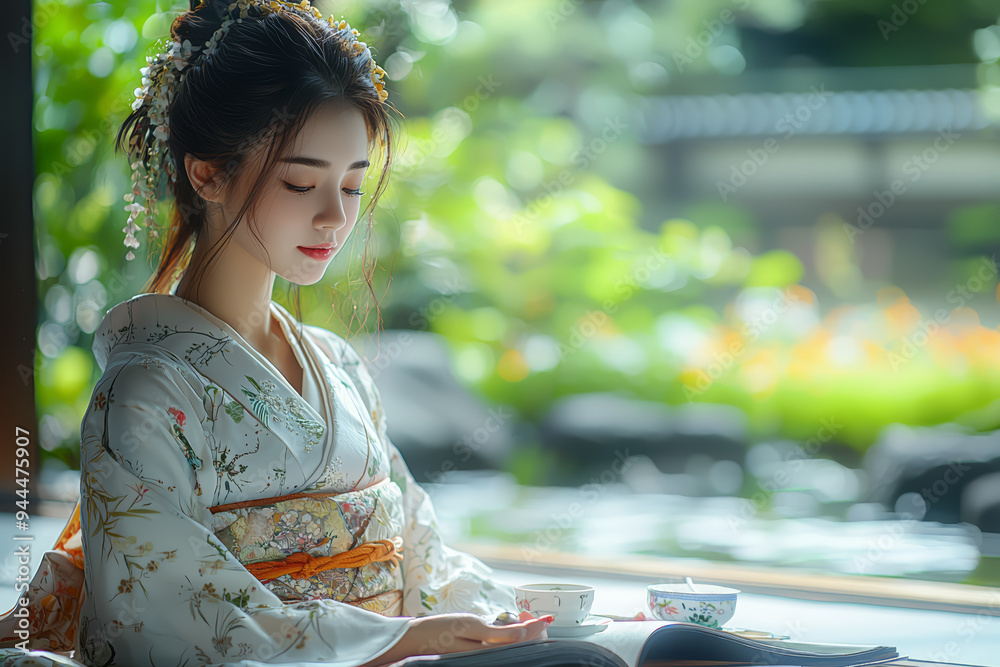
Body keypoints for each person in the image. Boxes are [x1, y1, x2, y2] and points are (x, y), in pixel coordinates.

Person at [0, 0, 557, 665]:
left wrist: (492, 613)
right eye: (300, 182)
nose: (333, 218)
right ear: (206, 172)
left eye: (352, 187)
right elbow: (166, 614)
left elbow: (419, 551)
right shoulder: (143, 395)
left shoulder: (338, 365)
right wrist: (390, 642)